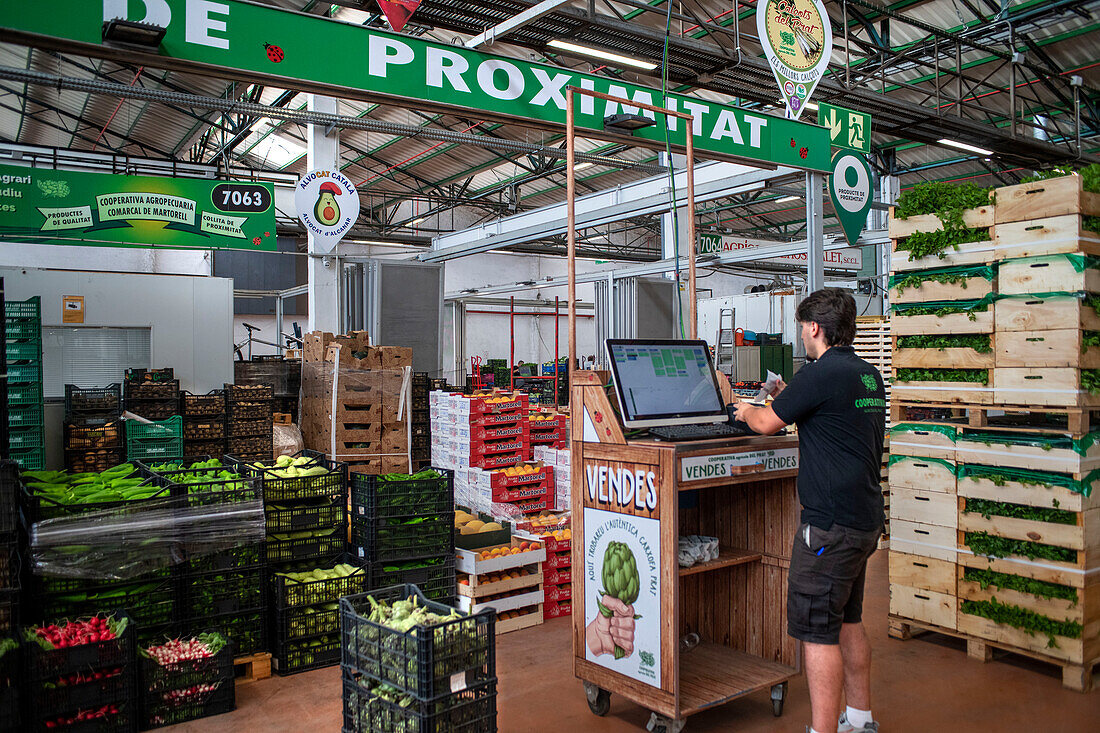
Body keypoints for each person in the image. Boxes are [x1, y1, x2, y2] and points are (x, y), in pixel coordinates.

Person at [732, 288, 886, 733]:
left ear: (815, 328)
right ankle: (859, 720)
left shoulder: (821, 373)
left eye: (802, 326)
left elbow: (764, 423)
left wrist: (742, 409)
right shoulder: (867, 374)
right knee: (848, 620)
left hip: (828, 528)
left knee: (818, 630)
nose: (801, 334)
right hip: (863, 519)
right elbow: (836, 422)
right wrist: (788, 396)